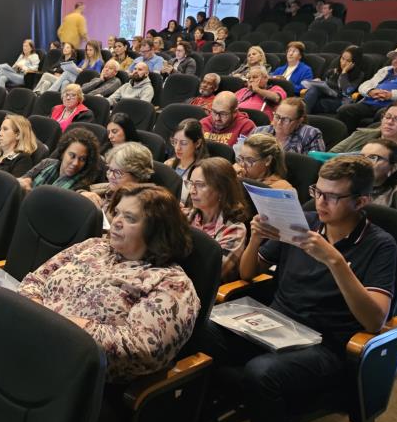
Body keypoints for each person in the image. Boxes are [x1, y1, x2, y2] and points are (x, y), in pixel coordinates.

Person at [187, 155, 396, 422]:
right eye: (318, 191)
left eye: (333, 196)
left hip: (327, 344)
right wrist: (256, 236)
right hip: (277, 324)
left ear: (361, 201)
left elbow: (374, 321)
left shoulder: (380, 244)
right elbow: (248, 272)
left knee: (261, 372)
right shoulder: (305, 221)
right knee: (200, 329)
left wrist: (335, 262)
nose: (321, 202)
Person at [18, 183, 199, 383]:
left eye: (129, 218)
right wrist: (33, 314)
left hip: (77, 376)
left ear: (157, 229)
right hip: (28, 337)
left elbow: (143, 349)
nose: (116, 222)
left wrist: (58, 325)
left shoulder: (172, 284)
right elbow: (35, 279)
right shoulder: (94, 246)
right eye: (117, 213)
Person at [337, 45, 397, 132]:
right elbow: (364, 85)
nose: (396, 60)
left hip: (392, 106)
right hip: (369, 102)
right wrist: (371, 91)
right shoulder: (384, 70)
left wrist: (391, 95)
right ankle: (349, 139)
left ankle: (374, 143)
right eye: (394, 57)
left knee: (383, 115)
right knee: (345, 110)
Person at [184, 157, 249, 281]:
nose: (192, 191)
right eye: (190, 184)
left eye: (200, 185)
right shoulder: (185, 216)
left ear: (221, 190)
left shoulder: (234, 230)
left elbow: (210, 274)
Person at [20, 127, 102, 192]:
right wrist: (22, 183)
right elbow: (21, 181)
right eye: (72, 156)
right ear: (63, 152)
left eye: (82, 159)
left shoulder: (82, 185)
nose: (76, 163)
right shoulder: (47, 163)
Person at [79, 142, 154, 213]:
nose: (111, 176)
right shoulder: (108, 188)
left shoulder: (140, 208)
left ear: (138, 176)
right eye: (110, 170)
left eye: (118, 173)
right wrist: (82, 194)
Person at [303, 45, 364, 114]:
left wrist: (344, 73)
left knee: (313, 103)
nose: (343, 63)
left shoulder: (359, 75)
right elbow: (324, 83)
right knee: (314, 89)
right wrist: (318, 81)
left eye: (348, 61)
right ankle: (303, 113)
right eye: (342, 58)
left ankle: (303, 114)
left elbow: (346, 91)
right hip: (326, 96)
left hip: (341, 101)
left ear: (354, 62)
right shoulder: (333, 71)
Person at [252, 97, 325, 153]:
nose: (279, 122)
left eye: (286, 119)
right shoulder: (258, 132)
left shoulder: (310, 135)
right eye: (277, 117)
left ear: (299, 121)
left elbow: (315, 165)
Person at [166, 118, 208, 202]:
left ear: (197, 143)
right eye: (174, 141)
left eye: (183, 143)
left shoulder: (201, 171)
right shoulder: (168, 164)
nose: (177, 148)